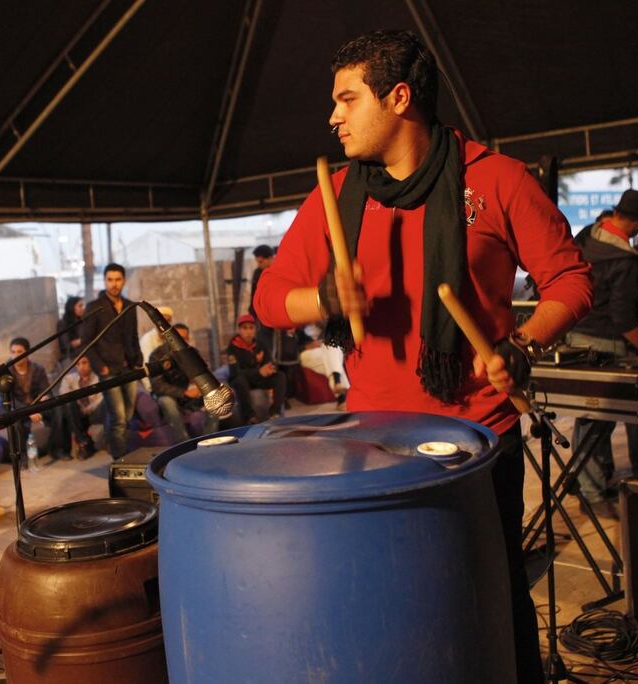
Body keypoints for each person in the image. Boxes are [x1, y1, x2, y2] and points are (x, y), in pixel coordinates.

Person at [252, 30, 591, 684]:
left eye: (348, 99)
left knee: (488, 599)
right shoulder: (337, 195)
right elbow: (268, 298)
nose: (333, 115)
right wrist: (319, 297)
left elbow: (571, 278)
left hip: (476, 439)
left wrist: (523, 345)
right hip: (371, 444)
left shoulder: (496, 180)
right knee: (397, 604)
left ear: (399, 97)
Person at [566, 190, 638, 516]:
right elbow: (623, 319)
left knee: (589, 417)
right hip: (605, 342)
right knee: (598, 421)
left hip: (576, 333)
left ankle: (588, 482)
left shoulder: (586, 237)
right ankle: (592, 495)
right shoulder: (623, 259)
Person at [81, 263, 143, 459]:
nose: (114, 284)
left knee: (128, 415)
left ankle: (116, 448)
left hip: (130, 368)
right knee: (119, 417)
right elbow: (87, 342)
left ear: (123, 280)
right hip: (109, 370)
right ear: (104, 281)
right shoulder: (94, 308)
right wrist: (101, 368)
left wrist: (138, 360)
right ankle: (120, 458)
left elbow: (133, 336)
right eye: (110, 280)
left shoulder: (129, 306)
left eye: (117, 279)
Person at [149, 323, 220, 441]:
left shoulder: (192, 352)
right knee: (167, 402)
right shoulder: (157, 355)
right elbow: (157, 385)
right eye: (177, 338)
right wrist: (184, 392)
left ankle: (209, 438)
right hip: (169, 395)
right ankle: (183, 442)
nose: (180, 341)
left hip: (189, 394)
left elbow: (204, 374)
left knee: (216, 394)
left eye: (184, 338)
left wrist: (201, 386)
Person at [225, 314, 288, 423]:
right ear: (239, 330)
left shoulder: (259, 344)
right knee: (239, 380)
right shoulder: (233, 347)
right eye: (245, 328)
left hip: (257, 378)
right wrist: (259, 372)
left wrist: (269, 369)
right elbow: (235, 372)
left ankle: (275, 412)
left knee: (280, 377)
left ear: (255, 330)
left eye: (251, 328)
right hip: (242, 379)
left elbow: (268, 362)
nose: (248, 332)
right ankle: (249, 416)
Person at [6, 337, 55, 457]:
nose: (16, 355)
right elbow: (9, 400)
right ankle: (22, 456)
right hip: (19, 409)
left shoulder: (38, 369)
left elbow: (46, 391)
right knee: (15, 420)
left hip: (37, 407)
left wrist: (43, 400)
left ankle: (57, 449)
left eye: (19, 352)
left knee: (58, 411)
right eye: (13, 352)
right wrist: (29, 412)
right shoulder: (6, 373)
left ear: (27, 353)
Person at [55, 356, 104, 459]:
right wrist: (77, 408)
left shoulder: (98, 377)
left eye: (84, 363)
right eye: (77, 364)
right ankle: (83, 441)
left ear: (90, 363)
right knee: (66, 404)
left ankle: (79, 442)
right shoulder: (69, 378)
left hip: (93, 412)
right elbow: (64, 395)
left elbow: (100, 400)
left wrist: (85, 410)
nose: (81, 367)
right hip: (75, 412)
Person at [298, 323, 349, 408]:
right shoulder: (299, 329)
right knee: (332, 360)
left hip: (324, 353)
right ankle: (341, 395)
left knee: (332, 346)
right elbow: (291, 345)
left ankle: (339, 388)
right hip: (306, 353)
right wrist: (306, 347)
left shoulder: (325, 326)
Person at [56, 295, 85, 364]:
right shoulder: (63, 323)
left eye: (83, 306)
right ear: (72, 307)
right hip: (71, 358)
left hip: (83, 355)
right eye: (80, 306)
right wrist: (84, 340)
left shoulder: (81, 321)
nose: (83, 308)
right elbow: (66, 344)